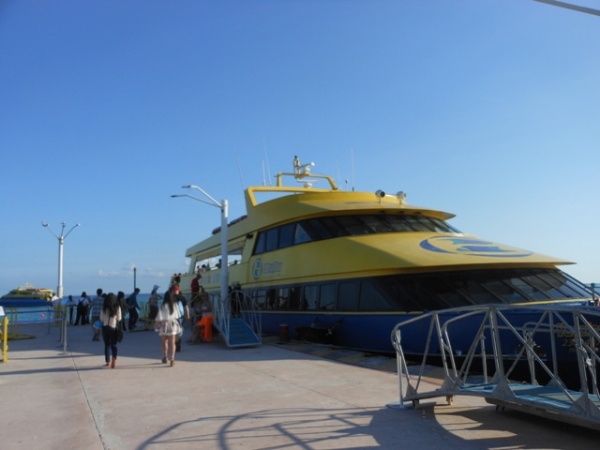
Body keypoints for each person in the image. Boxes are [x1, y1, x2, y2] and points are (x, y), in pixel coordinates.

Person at [155, 288, 182, 366]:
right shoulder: (175, 305)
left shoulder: (163, 306)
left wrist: (156, 324)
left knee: (164, 342)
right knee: (173, 342)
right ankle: (172, 358)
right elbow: (178, 315)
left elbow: (159, 317)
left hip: (164, 324)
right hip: (173, 323)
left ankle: (165, 357)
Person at [99, 293, 122, 369]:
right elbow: (119, 318)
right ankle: (114, 360)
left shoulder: (104, 307)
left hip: (105, 327)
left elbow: (101, 318)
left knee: (107, 345)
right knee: (114, 345)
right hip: (113, 327)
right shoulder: (117, 307)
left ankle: (108, 362)